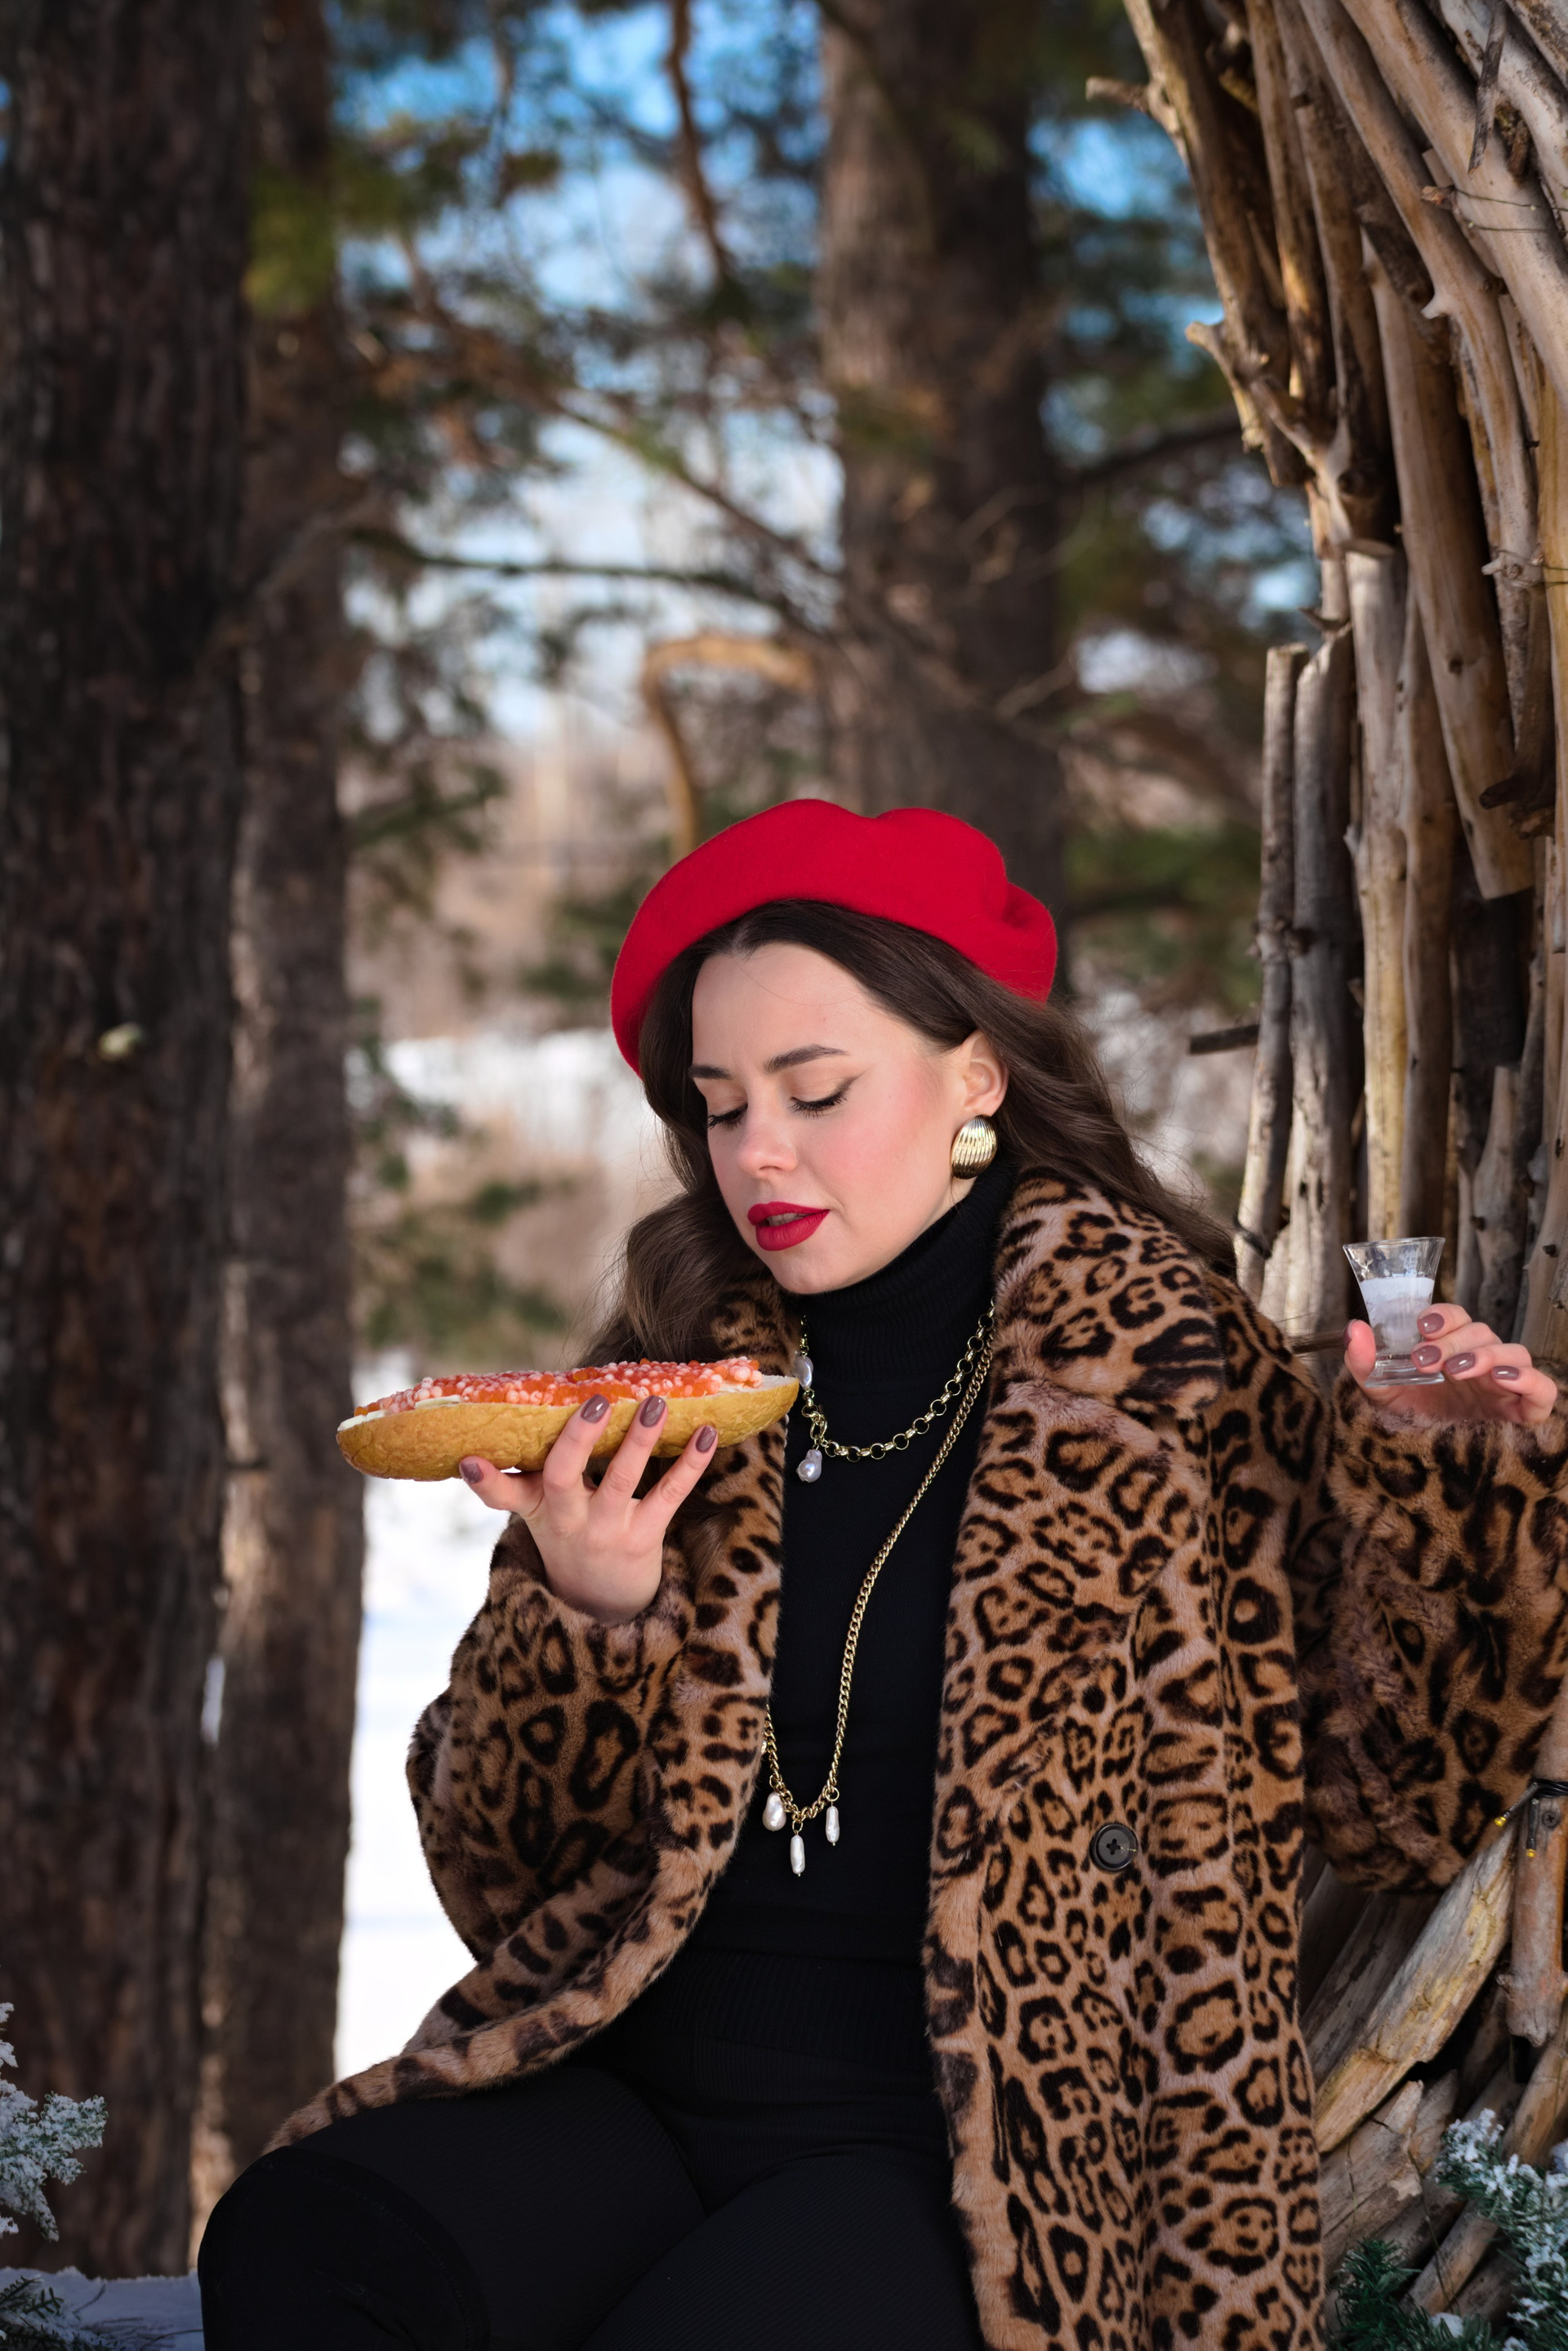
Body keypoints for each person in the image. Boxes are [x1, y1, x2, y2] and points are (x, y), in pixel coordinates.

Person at [200, 801, 1566, 2351]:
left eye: (816, 1089)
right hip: (627, 2088)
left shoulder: (1173, 1382)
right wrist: (590, 1615)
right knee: (305, 2239)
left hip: (969, 2158)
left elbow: (1398, 1806)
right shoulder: (672, 1385)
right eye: (720, 1105)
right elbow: (501, 1883)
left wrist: (1452, 1483)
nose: (757, 1152)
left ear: (976, 1074)